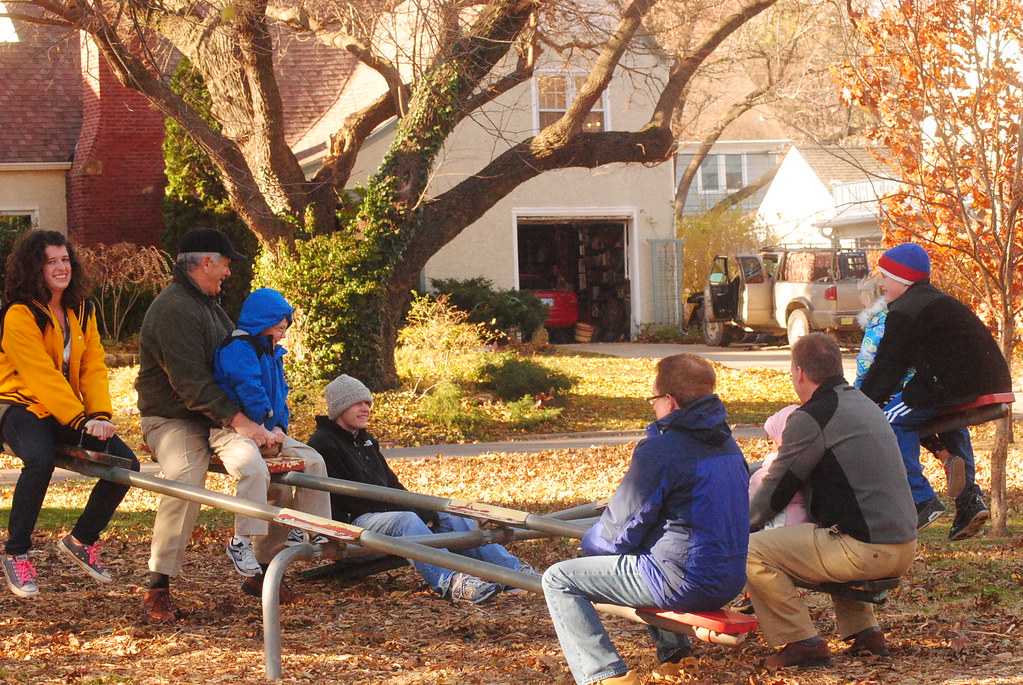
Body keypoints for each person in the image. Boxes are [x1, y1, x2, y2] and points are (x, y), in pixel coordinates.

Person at [542, 354, 749, 685]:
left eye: (654, 400)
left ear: (669, 401)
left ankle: (602, 675)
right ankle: (677, 657)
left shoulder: (662, 451)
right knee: (653, 548)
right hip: (730, 576)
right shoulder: (728, 444)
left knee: (558, 579)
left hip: (684, 580)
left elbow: (615, 533)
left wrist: (588, 546)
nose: (654, 407)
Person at [137, 227, 295, 622]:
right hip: (174, 418)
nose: (228, 272)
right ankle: (158, 584)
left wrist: (264, 424)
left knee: (285, 470)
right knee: (186, 479)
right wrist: (242, 423)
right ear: (206, 262)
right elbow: (191, 385)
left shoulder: (210, 305)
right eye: (225, 263)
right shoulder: (174, 309)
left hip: (218, 418)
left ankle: (262, 568)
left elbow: (238, 366)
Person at [748, 333, 917, 670]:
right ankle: (865, 634)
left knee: (751, 550)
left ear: (798, 373)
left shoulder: (814, 415)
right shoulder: (863, 403)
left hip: (868, 551)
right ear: (838, 366)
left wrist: (733, 530)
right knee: (833, 529)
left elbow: (776, 491)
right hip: (904, 544)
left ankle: (801, 643)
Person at [306, 374, 534, 604]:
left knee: (451, 516)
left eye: (367, 403)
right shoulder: (323, 444)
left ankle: (511, 574)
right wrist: (413, 512)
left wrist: (423, 509)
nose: (366, 409)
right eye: (358, 403)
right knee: (405, 520)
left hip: (380, 512)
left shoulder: (365, 440)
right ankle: (451, 582)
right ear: (340, 408)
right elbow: (348, 499)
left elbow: (392, 485)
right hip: (350, 523)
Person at [0, 230, 141, 598]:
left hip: (67, 410)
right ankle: (16, 552)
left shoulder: (83, 310)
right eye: (51, 261)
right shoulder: (18, 314)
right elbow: (39, 376)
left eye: (65, 259)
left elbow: (93, 366)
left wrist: (100, 414)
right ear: (35, 268)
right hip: (18, 405)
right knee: (39, 458)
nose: (61, 267)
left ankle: (82, 539)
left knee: (125, 463)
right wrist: (80, 421)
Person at [858, 243, 1011, 541]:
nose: (880, 283)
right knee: (951, 420)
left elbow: (888, 367)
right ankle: (969, 501)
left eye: (885, 277)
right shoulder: (939, 301)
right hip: (986, 380)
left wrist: (859, 403)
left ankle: (921, 500)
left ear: (903, 279)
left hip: (948, 382)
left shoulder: (904, 310)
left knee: (888, 422)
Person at [211, 288, 332, 573]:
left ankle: (311, 526)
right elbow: (248, 387)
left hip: (268, 429)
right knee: (254, 469)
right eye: (279, 328)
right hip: (234, 428)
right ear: (261, 322)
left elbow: (281, 395)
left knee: (313, 460)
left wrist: (279, 425)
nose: (283, 335)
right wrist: (263, 422)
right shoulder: (238, 348)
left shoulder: (273, 352)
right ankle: (241, 540)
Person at [854, 289, 966, 505]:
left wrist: (859, 393)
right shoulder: (916, 316)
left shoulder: (878, 323)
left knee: (890, 419)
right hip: (922, 385)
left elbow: (866, 364)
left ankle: (919, 495)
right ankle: (945, 456)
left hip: (900, 391)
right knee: (910, 418)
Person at [748, 404, 809, 530]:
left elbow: (755, 498)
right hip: (805, 525)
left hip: (780, 527)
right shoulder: (812, 459)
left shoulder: (773, 468)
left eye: (773, 440)